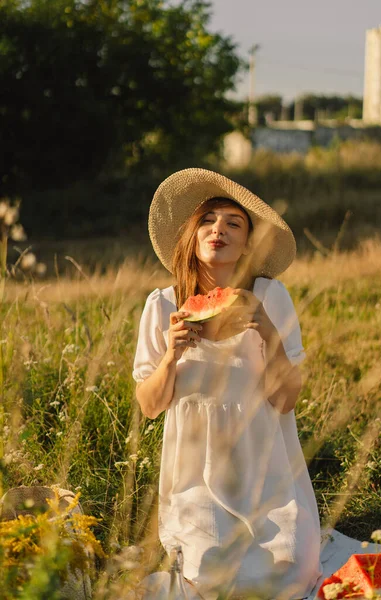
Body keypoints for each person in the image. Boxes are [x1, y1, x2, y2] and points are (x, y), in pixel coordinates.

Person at [132, 169, 322, 599]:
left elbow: (286, 400)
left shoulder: (272, 296)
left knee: (287, 576)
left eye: (233, 223)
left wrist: (268, 332)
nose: (219, 229)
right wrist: (170, 356)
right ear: (191, 236)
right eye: (208, 220)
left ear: (247, 244)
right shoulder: (162, 305)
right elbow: (149, 405)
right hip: (196, 476)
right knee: (217, 579)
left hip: (268, 469)